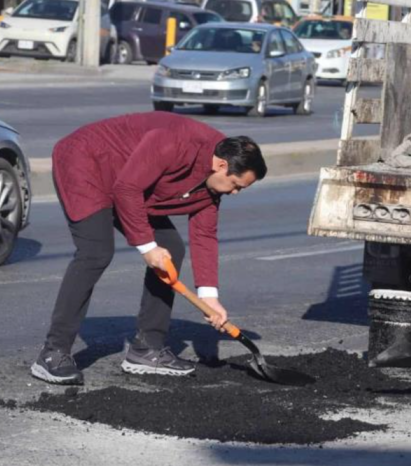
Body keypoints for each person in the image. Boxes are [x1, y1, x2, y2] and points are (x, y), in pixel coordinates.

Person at [31, 112, 267, 385]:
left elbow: (204, 234)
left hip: (129, 181)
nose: (235, 193)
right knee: (95, 252)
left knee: (171, 248)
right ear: (222, 165)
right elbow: (127, 189)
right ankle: (52, 353)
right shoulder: (175, 142)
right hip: (87, 162)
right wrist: (147, 246)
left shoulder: (215, 179)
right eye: (236, 185)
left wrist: (209, 297)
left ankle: (147, 349)